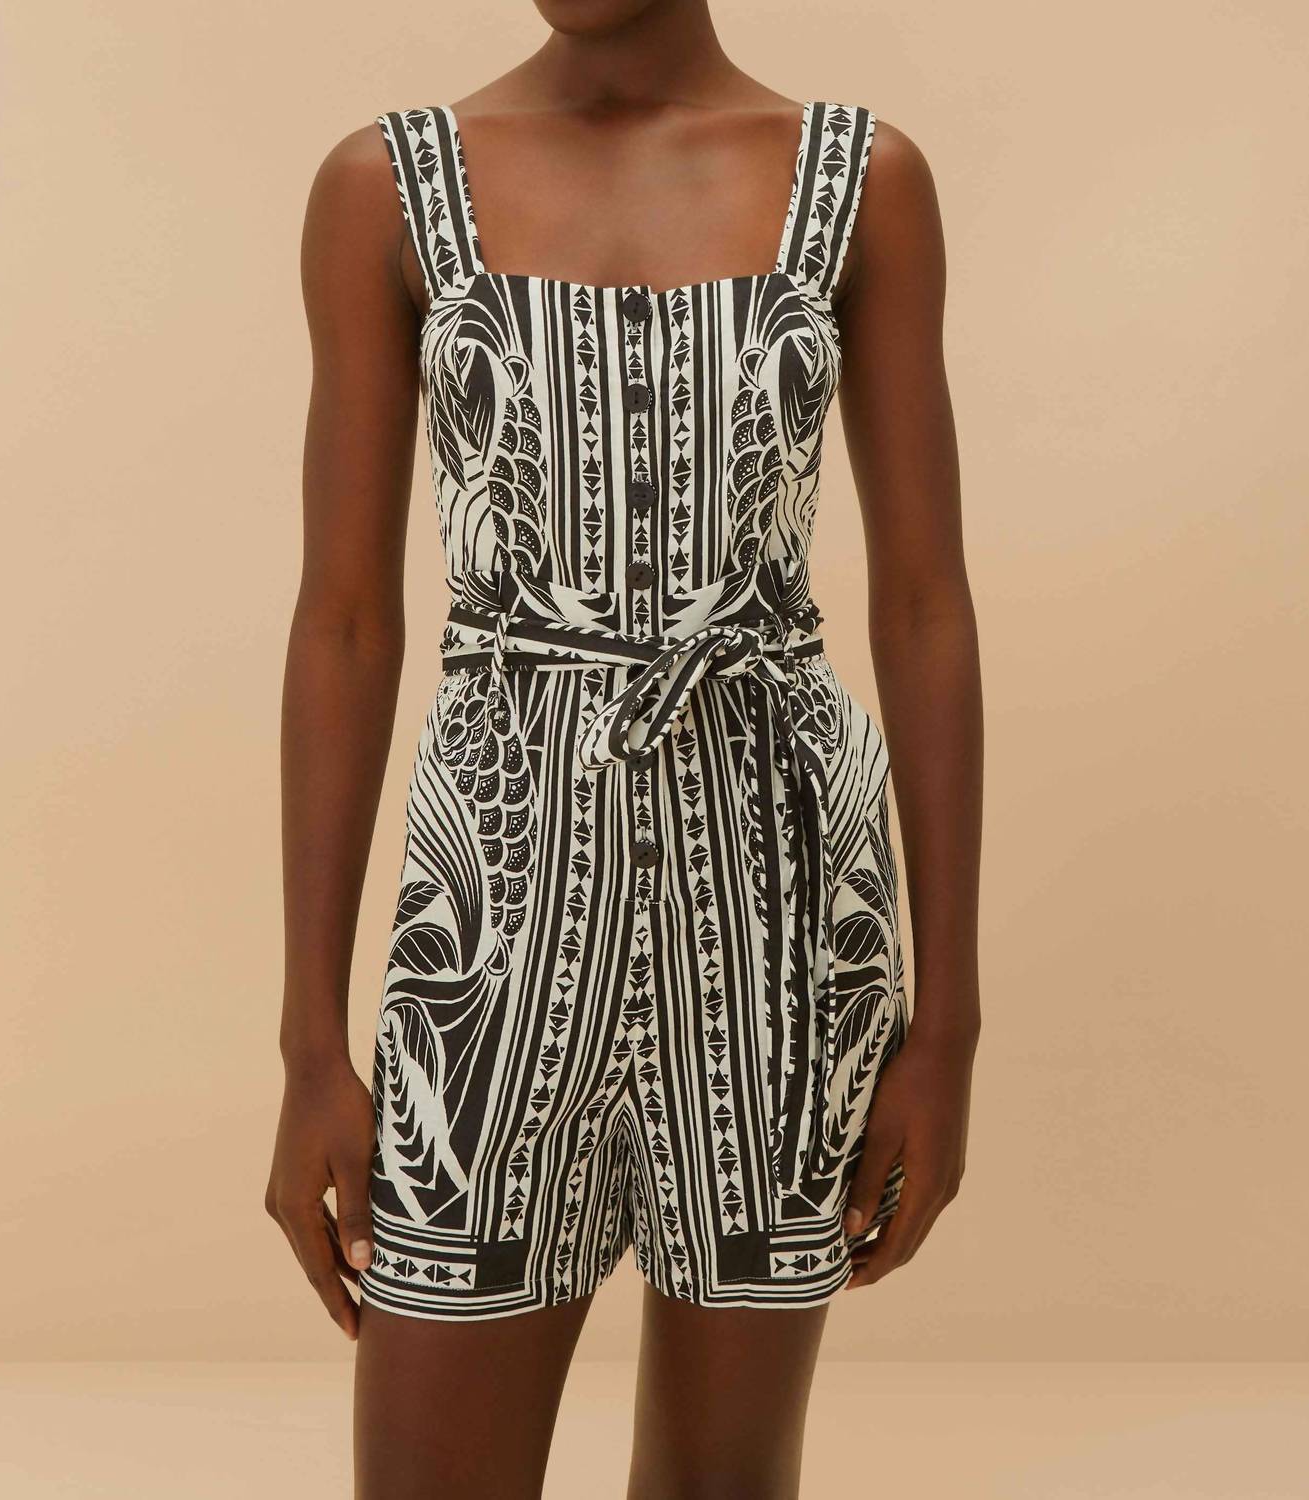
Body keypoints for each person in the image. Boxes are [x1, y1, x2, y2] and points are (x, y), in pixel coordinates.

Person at [266, 3, 982, 1495]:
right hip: (495, 912)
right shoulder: (386, 187)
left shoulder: (859, 180)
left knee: (727, 1478)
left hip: (783, 903)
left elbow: (923, 608)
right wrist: (312, 1047)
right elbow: (343, 623)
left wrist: (948, 1030)